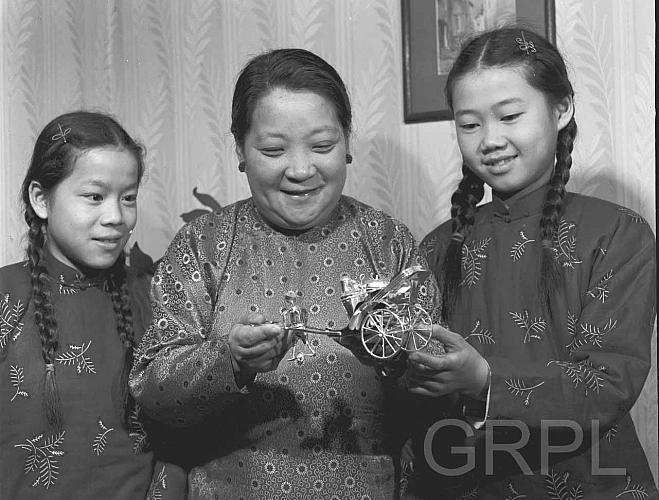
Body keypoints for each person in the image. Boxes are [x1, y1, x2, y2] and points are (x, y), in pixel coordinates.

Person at [129, 48, 438, 500]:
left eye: (322, 146)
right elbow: (152, 394)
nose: (299, 169)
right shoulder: (204, 245)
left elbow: (436, 393)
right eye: (274, 149)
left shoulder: (387, 242)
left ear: (347, 144)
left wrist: (393, 358)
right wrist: (228, 360)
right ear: (240, 150)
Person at [406, 27, 658, 499]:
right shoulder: (438, 247)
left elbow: (608, 382)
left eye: (510, 115)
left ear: (561, 108)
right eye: (469, 123)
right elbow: (417, 382)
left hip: (589, 480)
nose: (490, 139)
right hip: (462, 479)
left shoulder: (619, 233)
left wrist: (485, 380)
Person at [0, 111, 185, 499]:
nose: (116, 217)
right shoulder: (5, 297)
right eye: (95, 197)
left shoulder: (155, 300)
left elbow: (180, 437)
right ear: (41, 199)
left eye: (128, 198)